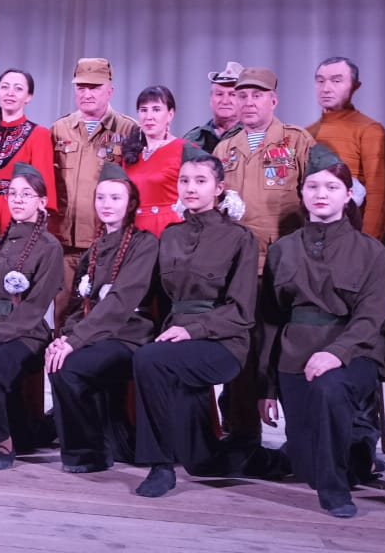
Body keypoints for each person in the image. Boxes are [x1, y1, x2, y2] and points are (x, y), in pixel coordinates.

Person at [256, 144, 385, 518]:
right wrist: (266, 388)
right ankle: (352, 454)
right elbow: (271, 321)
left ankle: (336, 491)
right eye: (313, 186)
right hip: (295, 356)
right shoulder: (283, 250)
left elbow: (372, 317)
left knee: (330, 389)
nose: (321, 194)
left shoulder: (370, 251)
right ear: (302, 193)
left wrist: (336, 353)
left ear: (348, 195)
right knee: (306, 468)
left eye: (332, 187)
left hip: (353, 354)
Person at [132, 145, 256, 497]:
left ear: (219, 188)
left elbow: (241, 310)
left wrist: (192, 330)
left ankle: (160, 465)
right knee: (203, 462)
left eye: (201, 181)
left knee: (150, 360)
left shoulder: (239, 238)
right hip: (175, 338)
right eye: (184, 180)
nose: (190, 188)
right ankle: (263, 462)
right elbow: (155, 298)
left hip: (224, 343)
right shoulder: (170, 235)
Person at [212, 66, 317, 452]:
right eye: (241, 95)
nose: (248, 102)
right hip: (240, 269)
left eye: (257, 95)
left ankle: (300, 440)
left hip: (286, 266)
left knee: (287, 350)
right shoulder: (225, 149)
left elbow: (320, 195)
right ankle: (243, 436)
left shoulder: (296, 141)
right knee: (242, 349)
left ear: (273, 100)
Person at [47, 163, 156, 473]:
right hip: (95, 336)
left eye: (116, 198)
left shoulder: (145, 244)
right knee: (57, 359)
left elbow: (120, 302)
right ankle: (100, 441)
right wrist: (64, 338)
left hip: (128, 335)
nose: (107, 204)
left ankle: (88, 453)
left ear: (131, 204)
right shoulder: (92, 251)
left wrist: (76, 342)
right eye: (101, 197)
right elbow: (77, 305)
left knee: (68, 367)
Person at [0, 162, 62, 470]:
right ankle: (24, 431)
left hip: (27, 334)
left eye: (26, 194)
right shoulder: (0, 242)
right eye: (13, 193)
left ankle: (1, 443)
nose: (18, 200)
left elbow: (34, 308)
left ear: (42, 201)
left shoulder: (50, 247)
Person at [49, 58, 138, 329]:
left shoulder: (128, 130)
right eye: (81, 87)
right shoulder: (59, 129)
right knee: (62, 312)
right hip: (65, 240)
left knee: (101, 313)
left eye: (95, 87)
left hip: (107, 241)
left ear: (110, 91)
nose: (87, 93)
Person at [307, 57, 385, 240]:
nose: (326, 88)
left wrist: (368, 243)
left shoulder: (369, 130)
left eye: (336, 81)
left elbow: (380, 195)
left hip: (351, 236)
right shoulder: (306, 133)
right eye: (320, 81)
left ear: (355, 86)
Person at [0, 68, 55, 239]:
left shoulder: (39, 134)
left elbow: (44, 184)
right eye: (5, 87)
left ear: (28, 96)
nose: (10, 93)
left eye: (18, 88)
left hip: (17, 214)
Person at [121, 85, 187, 235]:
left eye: (156, 109)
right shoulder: (130, 151)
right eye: (143, 110)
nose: (149, 116)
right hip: (133, 231)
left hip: (169, 231)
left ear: (170, 114)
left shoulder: (184, 149)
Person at [183, 61, 242, 153]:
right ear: (210, 98)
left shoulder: (253, 137)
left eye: (232, 94)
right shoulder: (193, 138)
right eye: (219, 94)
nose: (225, 101)